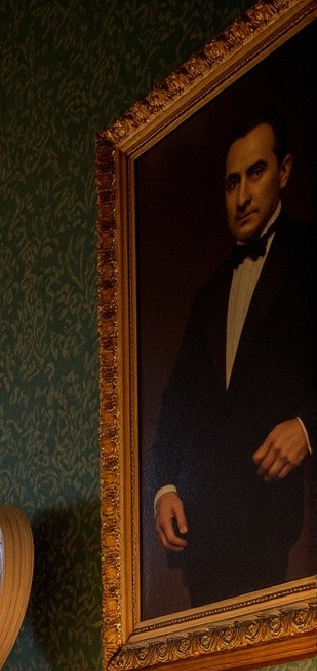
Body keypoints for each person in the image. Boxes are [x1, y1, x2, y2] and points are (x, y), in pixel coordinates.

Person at [148, 111, 315, 609]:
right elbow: (175, 406)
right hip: (203, 541)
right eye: (231, 182)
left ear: (284, 171)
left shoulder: (312, 256)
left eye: (256, 173)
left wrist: (308, 427)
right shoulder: (208, 295)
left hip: (281, 531)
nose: (242, 197)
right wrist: (165, 490)